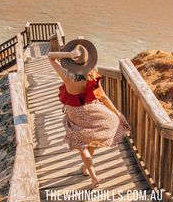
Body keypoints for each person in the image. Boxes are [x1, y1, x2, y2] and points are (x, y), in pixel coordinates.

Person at [47, 39, 131, 189]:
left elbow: (50, 56)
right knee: (89, 139)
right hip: (91, 110)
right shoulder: (92, 76)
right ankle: (86, 169)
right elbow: (103, 97)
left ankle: (93, 175)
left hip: (74, 113)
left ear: (71, 62)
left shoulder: (67, 76)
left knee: (82, 143)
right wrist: (118, 114)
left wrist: (69, 54)